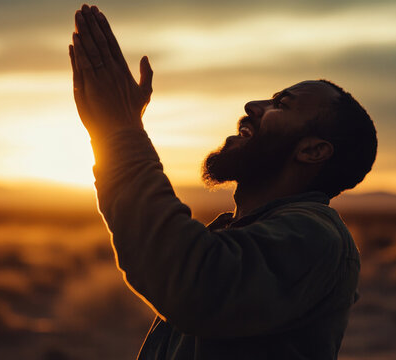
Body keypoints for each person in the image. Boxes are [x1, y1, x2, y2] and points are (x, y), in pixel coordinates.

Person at [69, 4, 377, 360]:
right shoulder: (239, 234)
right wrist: (108, 137)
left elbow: (193, 282)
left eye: (282, 104)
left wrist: (120, 132)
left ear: (312, 150)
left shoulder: (318, 237)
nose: (252, 105)